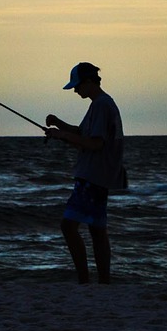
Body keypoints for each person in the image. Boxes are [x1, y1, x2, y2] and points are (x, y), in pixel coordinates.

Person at [44, 62, 127, 284]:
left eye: (77, 85)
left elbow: (95, 144)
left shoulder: (101, 105)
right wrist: (59, 125)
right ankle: (104, 282)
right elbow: (82, 134)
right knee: (97, 230)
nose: (75, 90)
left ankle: (84, 280)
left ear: (89, 82)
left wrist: (61, 135)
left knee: (68, 226)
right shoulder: (100, 104)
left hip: (93, 176)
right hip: (100, 176)